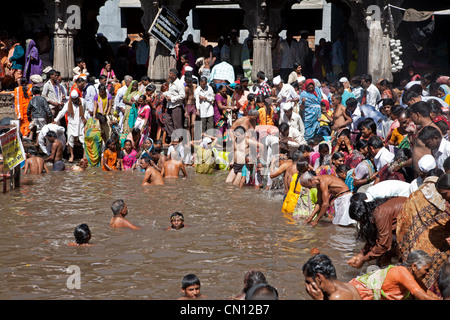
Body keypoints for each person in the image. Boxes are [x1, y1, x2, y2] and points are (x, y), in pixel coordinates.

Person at [396, 172, 450, 292]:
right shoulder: (443, 202)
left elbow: (403, 227)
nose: (442, 199)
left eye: (444, 194)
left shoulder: (415, 196)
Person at [349, 250, 440, 300]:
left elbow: (426, 292)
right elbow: (423, 297)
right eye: (426, 270)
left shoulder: (411, 275)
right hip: (357, 295)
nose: (428, 273)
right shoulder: (402, 273)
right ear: (414, 266)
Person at [347, 195, 408, 269]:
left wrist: (363, 259)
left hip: (411, 219)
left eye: (359, 221)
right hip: (405, 220)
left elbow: (383, 245)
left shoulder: (379, 213)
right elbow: (376, 239)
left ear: (363, 217)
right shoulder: (373, 210)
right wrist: (361, 254)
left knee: (404, 260)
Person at [54, 90, 86, 163]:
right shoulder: (68, 103)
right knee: (70, 140)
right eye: (73, 99)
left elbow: (85, 110)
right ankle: (72, 155)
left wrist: (85, 118)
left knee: (83, 139)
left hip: (81, 123)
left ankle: (84, 156)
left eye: (75, 99)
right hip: (71, 124)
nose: (74, 100)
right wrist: (56, 119)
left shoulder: (83, 101)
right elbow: (62, 112)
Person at [164, 69, 185, 137]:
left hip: (176, 106)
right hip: (169, 105)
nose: (169, 75)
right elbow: (170, 92)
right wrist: (164, 94)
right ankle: (173, 136)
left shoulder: (179, 84)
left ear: (174, 75)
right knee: (167, 121)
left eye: (170, 74)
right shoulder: (171, 83)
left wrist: (172, 98)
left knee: (177, 123)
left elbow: (182, 95)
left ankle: (179, 139)